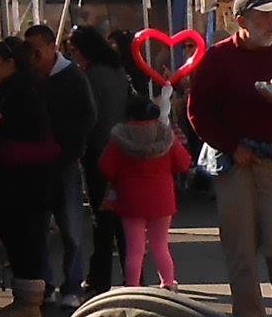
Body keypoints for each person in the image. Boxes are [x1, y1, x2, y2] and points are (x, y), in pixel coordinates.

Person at [187, 0, 272, 317]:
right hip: (234, 164)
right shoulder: (217, 58)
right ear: (241, 21)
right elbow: (198, 113)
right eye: (263, 16)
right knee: (240, 251)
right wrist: (232, 146)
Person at [0, 38, 58, 317]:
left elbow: (26, 133)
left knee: (24, 243)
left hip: (19, 188)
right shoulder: (26, 88)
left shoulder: (21, 92)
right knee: (23, 243)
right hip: (22, 188)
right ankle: (27, 303)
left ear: (10, 62)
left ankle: (28, 305)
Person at [25, 24, 97, 308]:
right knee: (39, 227)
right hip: (38, 165)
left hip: (64, 163)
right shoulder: (31, 78)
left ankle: (72, 285)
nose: (32, 56)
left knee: (71, 229)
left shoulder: (73, 77)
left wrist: (69, 149)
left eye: (36, 50)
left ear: (51, 46)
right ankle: (44, 284)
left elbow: (88, 117)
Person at [99, 95, 192, 289]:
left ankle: (133, 285)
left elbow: (105, 166)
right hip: (162, 199)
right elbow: (184, 163)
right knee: (160, 245)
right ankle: (168, 283)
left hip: (130, 199)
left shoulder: (120, 139)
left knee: (134, 249)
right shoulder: (165, 136)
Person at [68, 26, 130, 296]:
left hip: (100, 154)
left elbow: (89, 116)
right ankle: (133, 275)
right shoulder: (117, 71)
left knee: (102, 217)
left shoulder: (89, 76)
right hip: (124, 152)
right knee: (122, 218)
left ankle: (99, 277)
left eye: (74, 51)